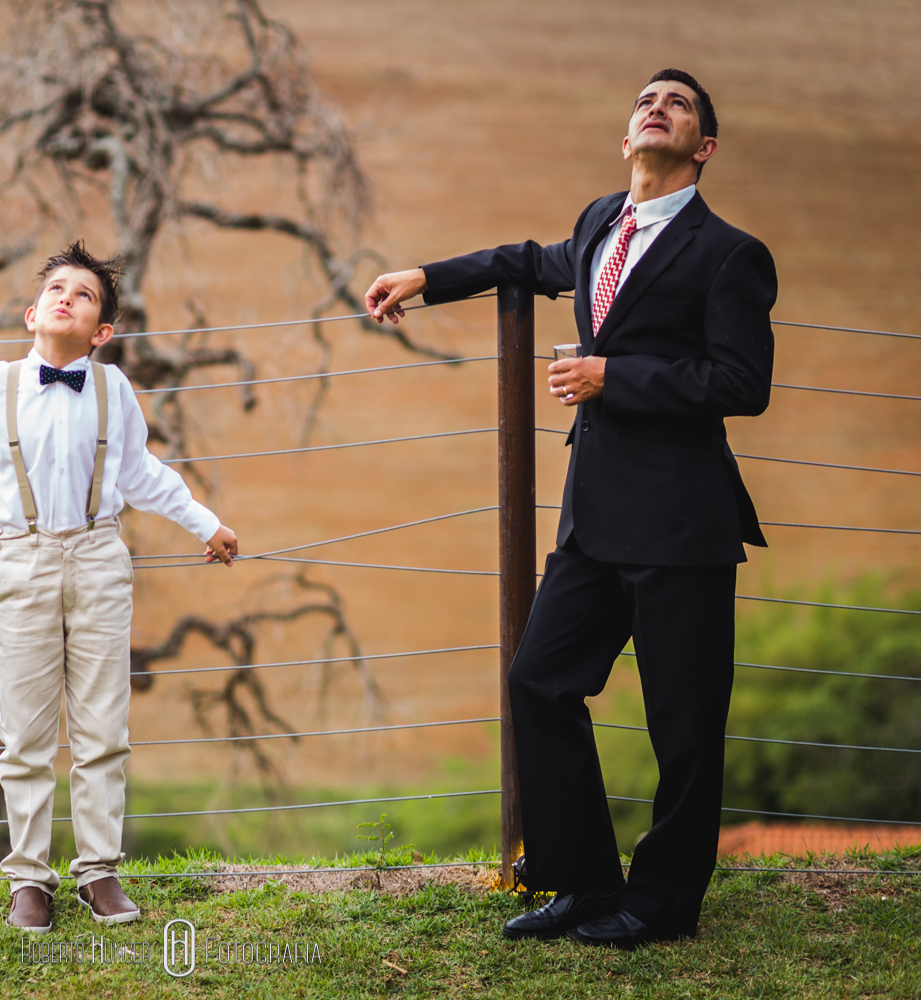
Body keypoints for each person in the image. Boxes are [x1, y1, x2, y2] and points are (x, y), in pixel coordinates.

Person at [364, 69, 776, 949]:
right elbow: (530, 262)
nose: (655, 107)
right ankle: (584, 882)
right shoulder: (601, 223)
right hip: (593, 522)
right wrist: (427, 277)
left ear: (703, 149)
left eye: (678, 104)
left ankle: (664, 904)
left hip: (682, 523)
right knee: (538, 680)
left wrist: (610, 377)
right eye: (644, 101)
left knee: (685, 728)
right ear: (628, 139)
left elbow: (743, 384)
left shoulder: (731, 253)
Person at [0, 242, 240, 933]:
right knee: (25, 732)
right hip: (25, 561)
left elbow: (143, 474)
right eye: (56, 288)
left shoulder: (115, 390)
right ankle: (29, 879)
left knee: (101, 726)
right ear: (33, 313)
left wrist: (204, 522)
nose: (67, 296)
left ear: (102, 333)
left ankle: (99, 873)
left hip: (99, 559)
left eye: (84, 294)